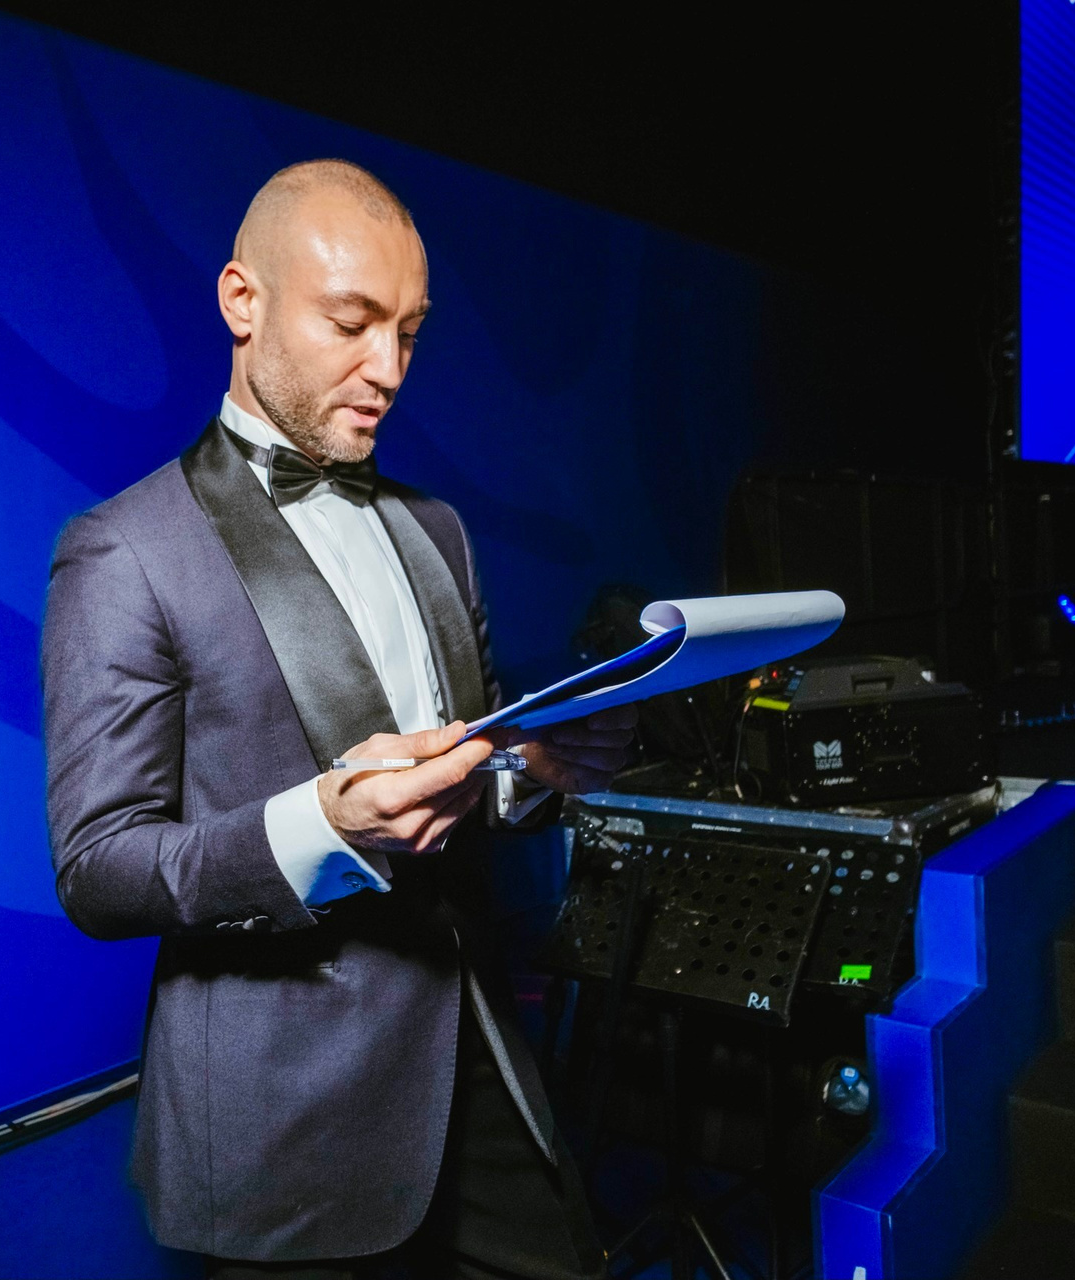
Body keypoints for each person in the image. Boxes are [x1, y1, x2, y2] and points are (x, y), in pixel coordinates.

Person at [43, 159, 637, 1279]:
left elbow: (459, 775)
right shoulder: (124, 552)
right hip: (287, 1122)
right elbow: (99, 869)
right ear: (243, 301)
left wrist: (533, 772)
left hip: (477, 1058)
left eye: (409, 333)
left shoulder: (438, 529)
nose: (389, 370)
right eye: (353, 323)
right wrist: (322, 826)